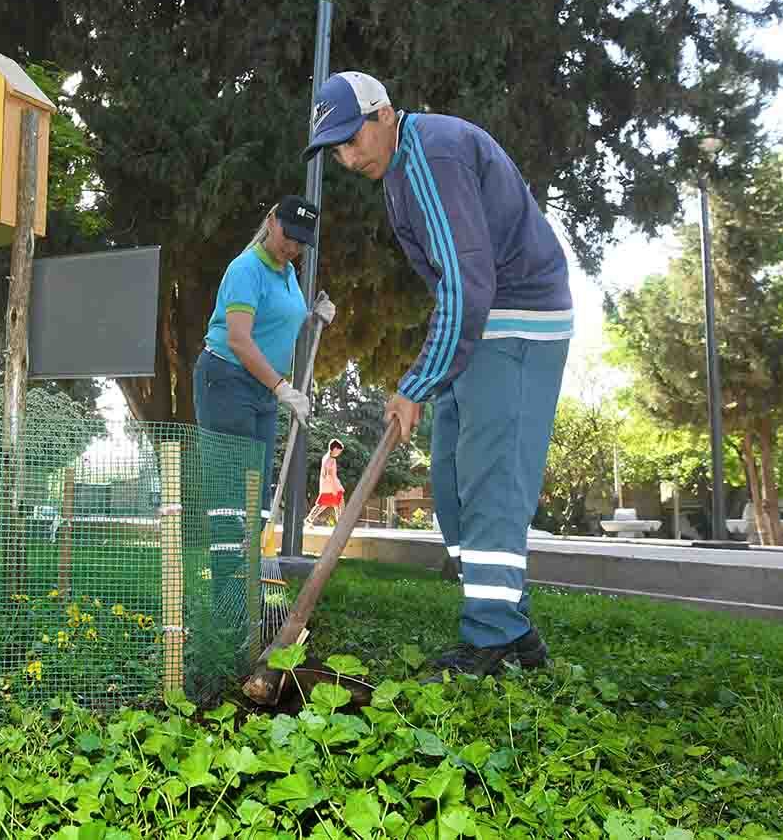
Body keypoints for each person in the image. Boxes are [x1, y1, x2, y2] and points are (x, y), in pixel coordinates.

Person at [303, 71, 572, 679]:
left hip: (518, 322)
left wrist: (417, 382)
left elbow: (468, 284)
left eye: (352, 140)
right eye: (336, 150)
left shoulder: (432, 155)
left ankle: (492, 637)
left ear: (384, 114)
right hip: (482, 325)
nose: (347, 158)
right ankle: (516, 627)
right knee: (450, 487)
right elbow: (457, 287)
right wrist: (426, 377)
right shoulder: (398, 172)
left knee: (490, 482)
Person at [193, 195, 336, 521]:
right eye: (288, 236)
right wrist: (282, 388)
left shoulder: (287, 275)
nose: (292, 248)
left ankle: (252, 569)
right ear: (272, 221)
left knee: (256, 492)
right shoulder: (246, 269)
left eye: (301, 243)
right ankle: (228, 572)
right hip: (227, 380)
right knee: (232, 490)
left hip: (263, 388)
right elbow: (239, 340)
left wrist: (314, 318)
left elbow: (282, 325)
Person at [305, 439, 345, 527]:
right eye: (339, 451)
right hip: (332, 487)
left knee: (325, 504)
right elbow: (329, 475)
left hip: (326, 486)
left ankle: (309, 519)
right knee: (336, 503)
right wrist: (334, 488)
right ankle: (340, 524)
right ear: (334, 449)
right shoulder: (331, 460)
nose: (339, 453)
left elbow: (326, 474)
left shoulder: (325, 457)